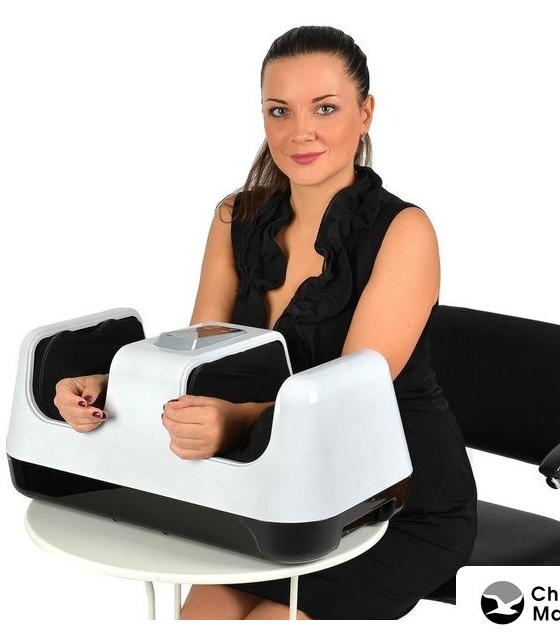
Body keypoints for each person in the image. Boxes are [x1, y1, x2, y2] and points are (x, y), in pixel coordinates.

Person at [53, 25, 478, 620]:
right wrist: (111, 389)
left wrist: (237, 422)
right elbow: (196, 363)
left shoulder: (404, 232)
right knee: (201, 621)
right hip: (273, 494)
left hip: (394, 501)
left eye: (324, 108)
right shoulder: (236, 217)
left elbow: (349, 404)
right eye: (280, 110)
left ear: (365, 113)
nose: (300, 131)